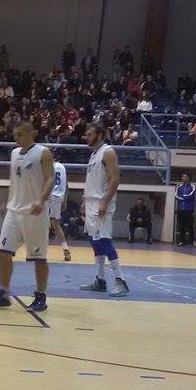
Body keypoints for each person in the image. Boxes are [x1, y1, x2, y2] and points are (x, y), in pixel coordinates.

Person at [0, 121, 53, 312]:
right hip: (14, 211)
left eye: (20, 135)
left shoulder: (43, 152)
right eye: (15, 135)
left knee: (38, 257)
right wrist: (7, 201)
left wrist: (41, 199)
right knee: (4, 252)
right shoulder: (14, 153)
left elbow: (50, 178)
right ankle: (3, 294)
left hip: (35, 213)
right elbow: (14, 181)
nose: (16, 139)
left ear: (32, 134)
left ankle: (40, 296)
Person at [79, 122, 130, 297]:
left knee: (104, 240)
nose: (87, 137)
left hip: (102, 202)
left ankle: (121, 280)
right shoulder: (94, 154)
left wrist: (104, 201)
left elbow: (115, 179)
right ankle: (100, 280)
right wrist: (85, 199)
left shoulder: (108, 152)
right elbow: (94, 181)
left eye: (90, 134)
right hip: (92, 202)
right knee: (95, 242)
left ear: (100, 135)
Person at [48, 152, 72, 261]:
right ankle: (65, 249)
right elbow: (66, 185)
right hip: (59, 197)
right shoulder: (62, 167)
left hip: (49, 195)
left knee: (43, 223)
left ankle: (39, 249)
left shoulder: (48, 167)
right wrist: (65, 200)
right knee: (55, 224)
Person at [175, 174, 196, 246]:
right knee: (181, 226)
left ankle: (192, 241)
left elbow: (191, 195)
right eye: (182, 177)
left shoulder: (192, 186)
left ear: (188, 178)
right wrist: (184, 197)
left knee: (190, 226)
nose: (183, 178)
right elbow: (176, 196)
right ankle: (182, 241)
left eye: (184, 177)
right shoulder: (179, 187)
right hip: (180, 209)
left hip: (189, 210)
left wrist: (182, 197)